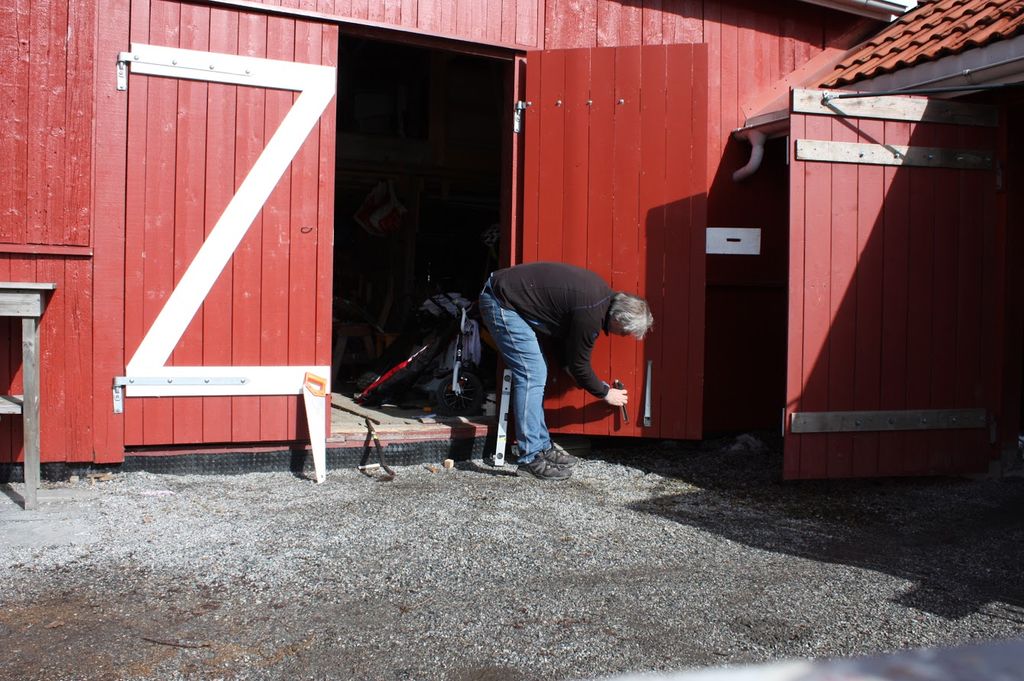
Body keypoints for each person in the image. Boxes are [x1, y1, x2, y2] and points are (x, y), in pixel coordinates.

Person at [478, 261, 653, 480]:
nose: (623, 336)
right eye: (625, 332)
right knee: (532, 375)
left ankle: (541, 446)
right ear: (618, 319)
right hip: (501, 301)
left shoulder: (598, 299)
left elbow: (562, 337)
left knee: (537, 373)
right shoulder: (590, 314)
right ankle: (530, 458)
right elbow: (580, 366)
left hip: (505, 294)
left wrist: (566, 365)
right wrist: (605, 393)